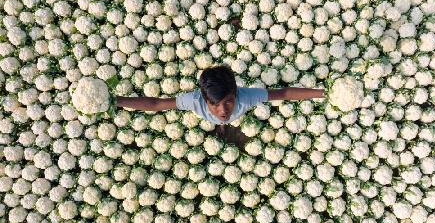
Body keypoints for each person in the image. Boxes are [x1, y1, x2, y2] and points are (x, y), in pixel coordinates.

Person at [115, 65, 325, 149]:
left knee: (227, 117)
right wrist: (118, 101)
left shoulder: (247, 97)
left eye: (228, 102)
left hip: (238, 107)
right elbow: (156, 104)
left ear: (236, 93)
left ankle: (224, 127)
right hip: (209, 109)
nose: (222, 110)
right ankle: (222, 127)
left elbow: (284, 93)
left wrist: (323, 93)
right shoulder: (194, 101)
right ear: (204, 100)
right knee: (222, 118)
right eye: (214, 104)